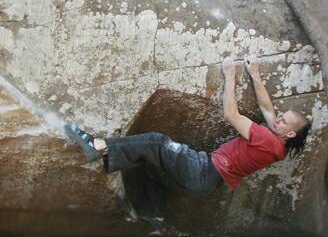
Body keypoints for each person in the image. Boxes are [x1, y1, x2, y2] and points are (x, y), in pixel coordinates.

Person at [65, 55, 312, 198]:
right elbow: (268, 110)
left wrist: (231, 76)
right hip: (206, 185)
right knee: (150, 166)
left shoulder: (264, 138)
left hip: (203, 169)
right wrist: (255, 73)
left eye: (283, 121)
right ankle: (151, 210)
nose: (277, 119)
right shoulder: (279, 147)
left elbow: (231, 114)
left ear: (290, 132)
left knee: (157, 143)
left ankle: (97, 146)